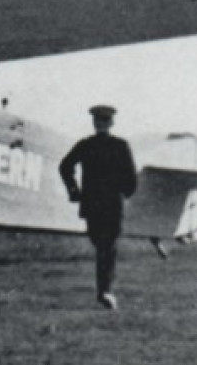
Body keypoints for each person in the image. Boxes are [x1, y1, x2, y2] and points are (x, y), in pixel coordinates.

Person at [59, 105, 138, 310]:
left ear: (95, 123)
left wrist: (74, 191)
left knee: (101, 246)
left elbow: (65, 166)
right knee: (108, 248)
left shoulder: (86, 145)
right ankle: (105, 291)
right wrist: (124, 192)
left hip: (92, 205)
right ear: (111, 122)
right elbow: (131, 179)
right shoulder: (121, 146)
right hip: (112, 205)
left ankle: (104, 291)